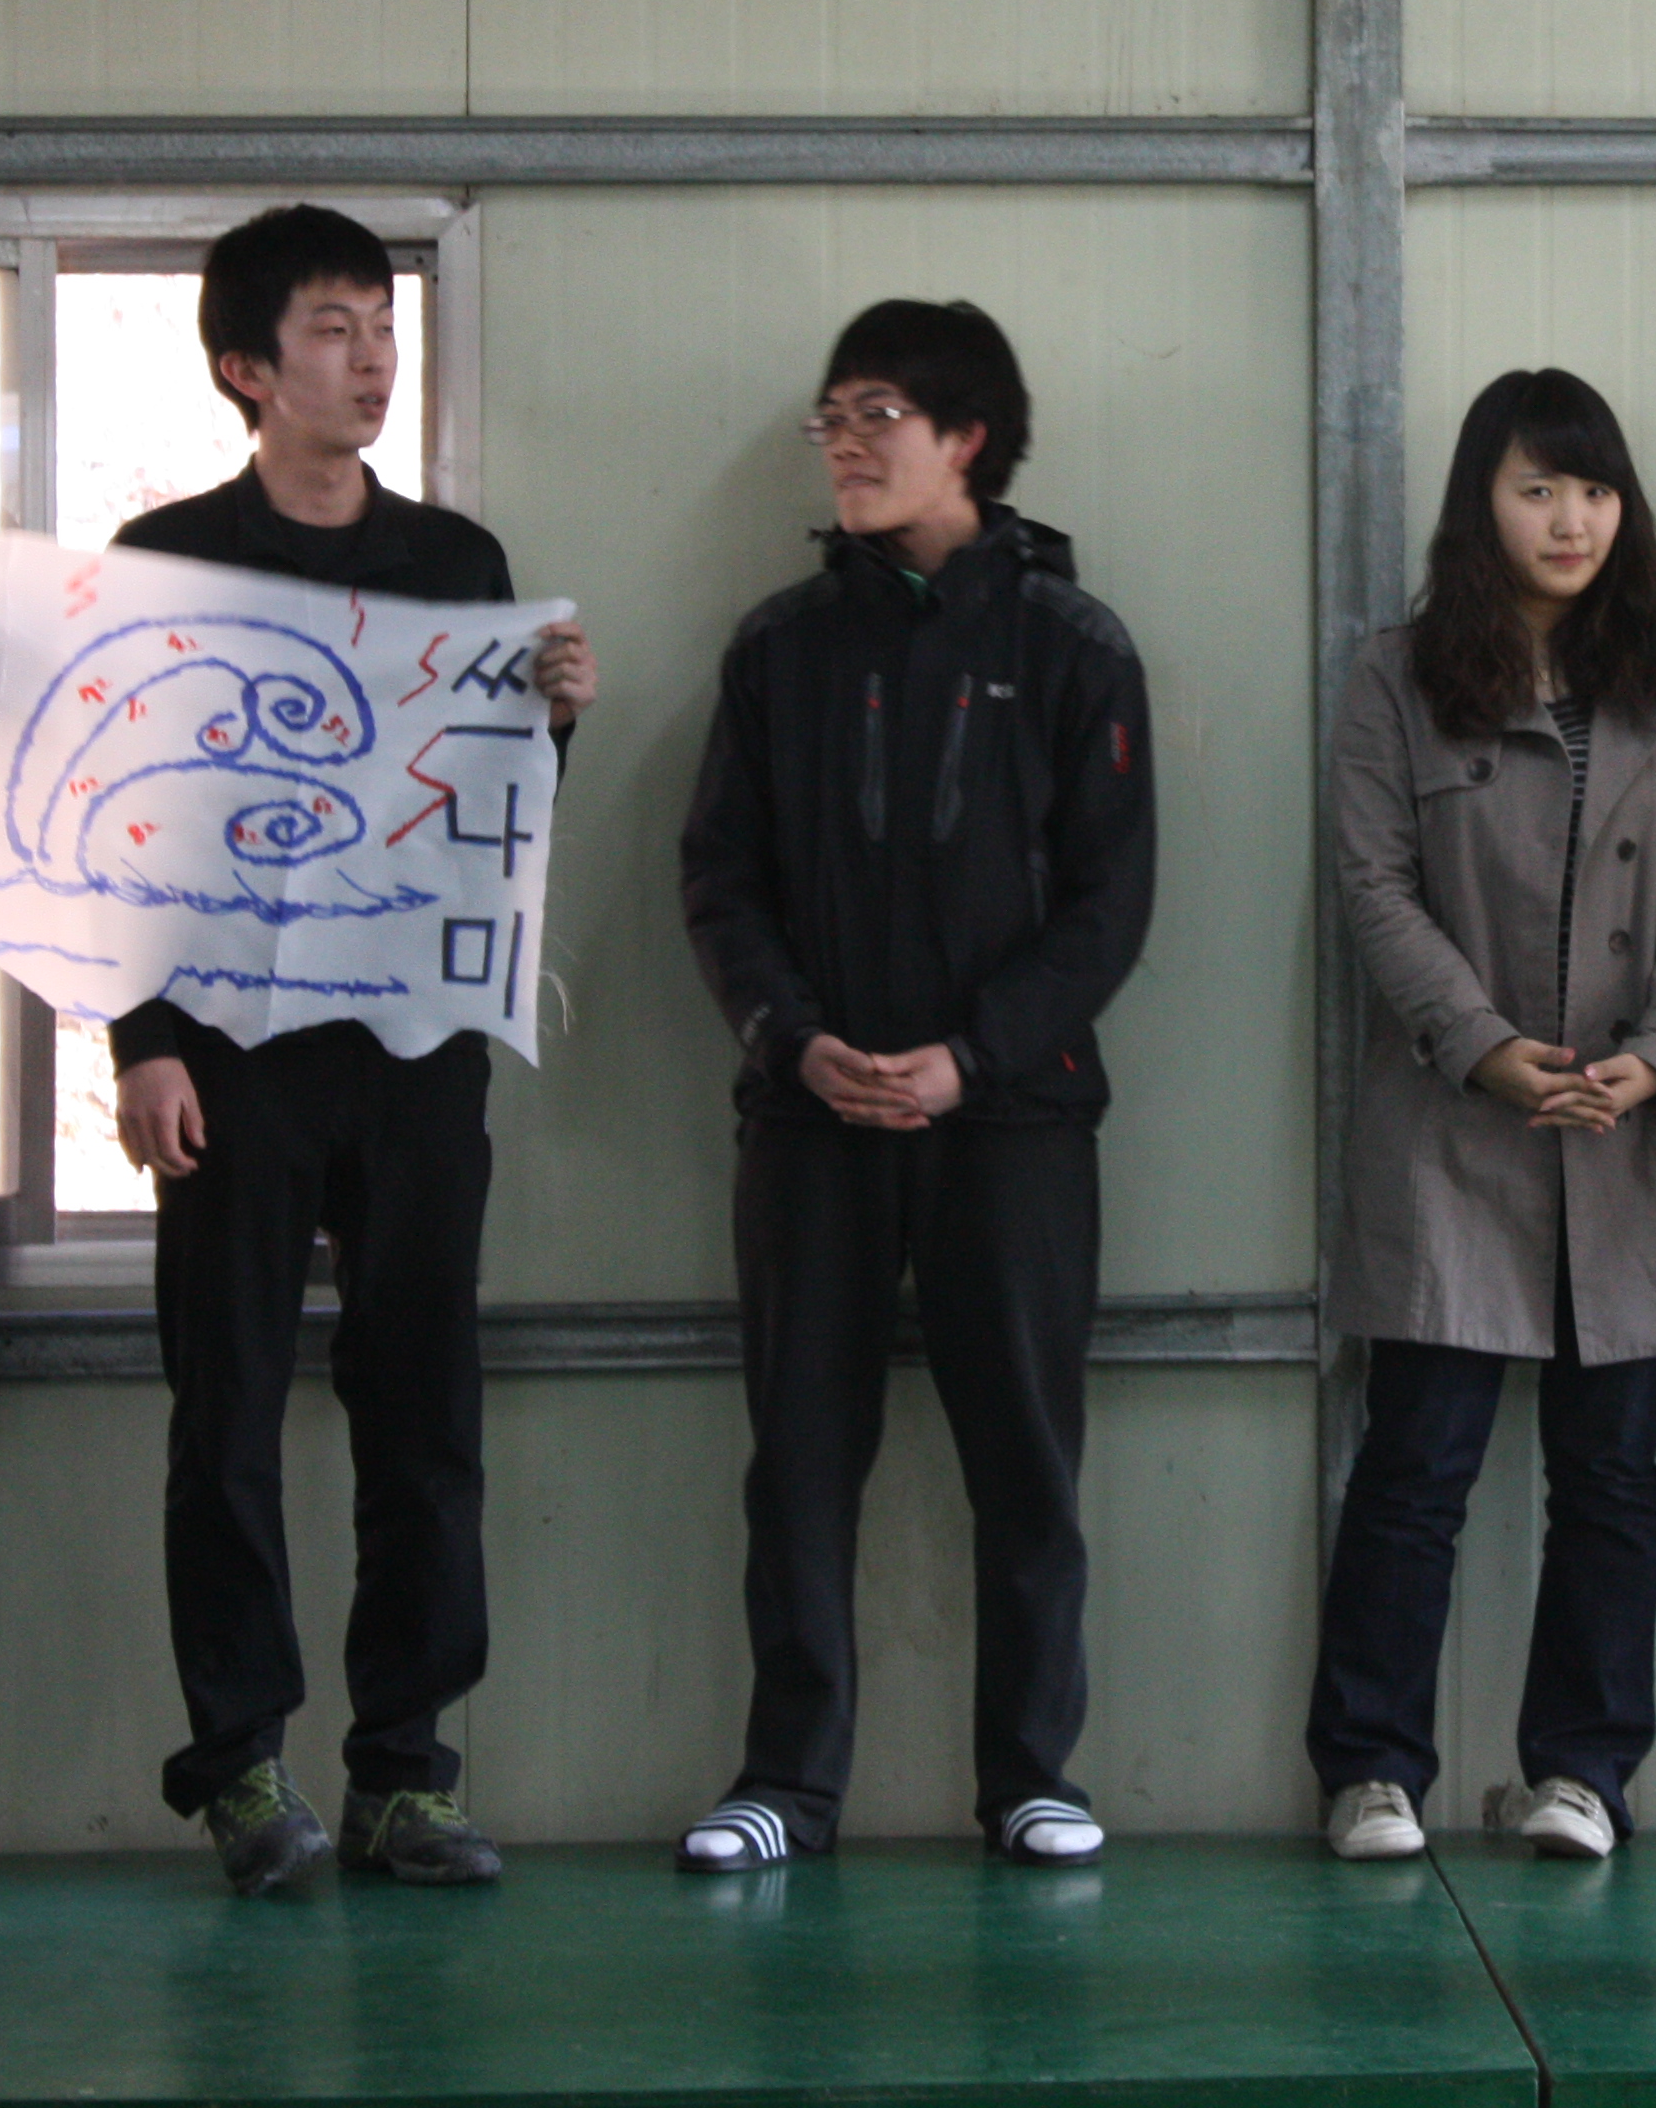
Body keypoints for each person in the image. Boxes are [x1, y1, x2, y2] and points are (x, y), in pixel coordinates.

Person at [106, 204, 598, 1897]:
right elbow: (124, 821)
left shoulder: (457, 563)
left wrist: (549, 725)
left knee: (424, 1412)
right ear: (245, 366)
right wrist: (143, 1041)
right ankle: (242, 1764)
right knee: (227, 1415)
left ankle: (403, 1769)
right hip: (231, 1048)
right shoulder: (168, 557)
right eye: (331, 328)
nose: (373, 356)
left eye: (383, 325)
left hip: (413, 1048)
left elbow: (487, 820)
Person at [677, 300, 1155, 1872]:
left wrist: (973, 1055)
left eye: (876, 413)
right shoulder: (779, 646)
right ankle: (787, 1785)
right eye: (831, 417)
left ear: (968, 437)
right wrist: (792, 1039)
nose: (843, 443)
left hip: (1013, 1121)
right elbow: (720, 879)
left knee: (1026, 1458)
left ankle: (1030, 1777)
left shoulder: (1073, 646)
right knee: (799, 1462)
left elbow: (1111, 905)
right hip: (808, 1121)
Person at [1307, 370, 1656, 1867]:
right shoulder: (1397, 677)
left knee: (1612, 1475)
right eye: (1537, 488)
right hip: (1460, 1125)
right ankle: (1372, 1769)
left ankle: (1583, 1772)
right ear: (1480, 503)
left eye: (1594, 489)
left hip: (1628, 1126)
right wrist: (1485, 1045)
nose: (1571, 519)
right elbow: (1373, 886)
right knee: (1417, 1464)